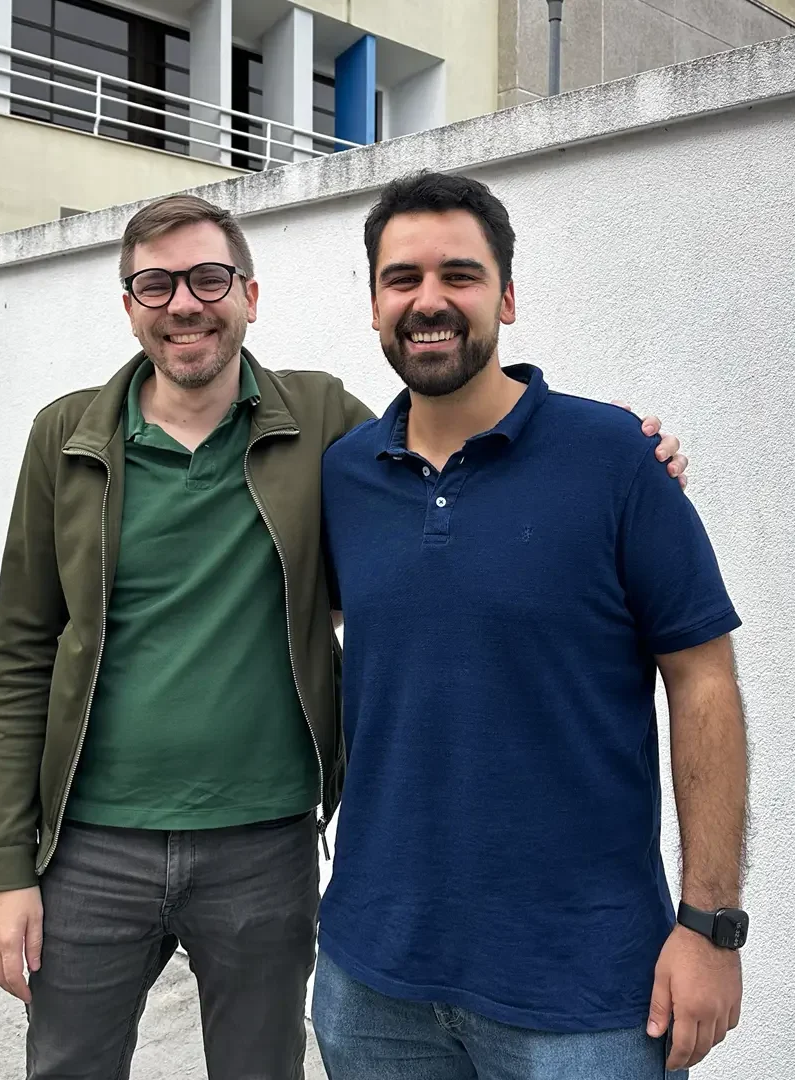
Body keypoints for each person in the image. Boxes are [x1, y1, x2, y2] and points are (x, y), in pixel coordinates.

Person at [0, 192, 691, 1080]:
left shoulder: (320, 422)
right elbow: (23, 655)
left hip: (263, 842)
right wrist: (5, 867)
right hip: (91, 843)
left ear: (250, 295)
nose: (184, 304)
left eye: (208, 279)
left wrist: (610, 449)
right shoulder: (65, 436)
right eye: (155, 285)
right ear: (129, 306)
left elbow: (442, 465)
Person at [313, 171, 749, 1080]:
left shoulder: (615, 460)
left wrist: (710, 926)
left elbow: (703, 679)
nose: (429, 300)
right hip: (371, 981)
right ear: (375, 305)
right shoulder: (343, 476)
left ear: (506, 297)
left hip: (585, 991)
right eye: (402, 278)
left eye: (459, 275)